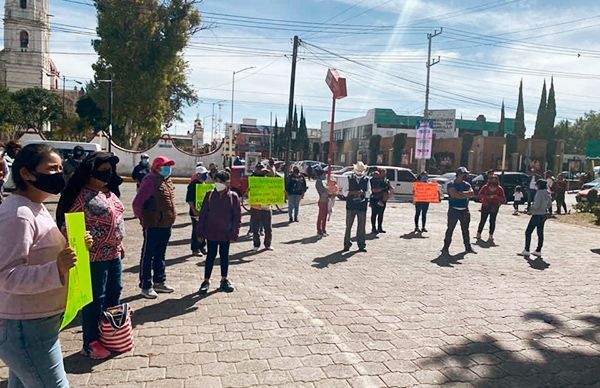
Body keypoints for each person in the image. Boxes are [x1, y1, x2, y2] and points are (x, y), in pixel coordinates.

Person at [0, 144, 87, 388]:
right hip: (25, 327)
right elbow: (7, 275)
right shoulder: (18, 214)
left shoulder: (35, 207)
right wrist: (57, 268)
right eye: (52, 169)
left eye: (61, 167)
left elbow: (39, 252)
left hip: (38, 324)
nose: (60, 173)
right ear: (27, 174)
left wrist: (73, 243)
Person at [56, 152, 124, 360]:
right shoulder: (81, 197)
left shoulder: (109, 194)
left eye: (109, 171)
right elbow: (66, 225)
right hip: (94, 258)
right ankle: (90, 342)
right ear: (89, 173)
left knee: (114, 296)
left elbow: (117, 219)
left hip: (114, 255)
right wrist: (79, 239)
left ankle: (110, 334)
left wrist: (120, 244)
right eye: (102, 171)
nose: (107, 175)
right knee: (95, 300)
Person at [132, 156, 177, 299]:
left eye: (169, 166)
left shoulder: (167, 181)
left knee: (160, 254)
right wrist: (143, 220)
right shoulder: (149, 180)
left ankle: (159, 281)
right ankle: (146, 285)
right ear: (157, 167)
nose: (168, 169)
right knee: (148, 255)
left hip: (166, 224)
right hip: (152, 225)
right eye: (165, 166)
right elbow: (137, 204)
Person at [197, 171, 241, 294]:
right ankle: (206, 281)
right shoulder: (210, 195)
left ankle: (224, 279)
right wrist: (200, 233)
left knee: (224, 257)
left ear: (227, 182)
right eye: (216, 181)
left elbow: (237, 217)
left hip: (226, 234)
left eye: (221, 181)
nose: (218, 183)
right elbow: (203, 215)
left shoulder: (233, 197)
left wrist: (234, 233)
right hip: (211, 233)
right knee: (210, 256)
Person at [442, 167, 475, 254]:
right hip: (454, 210)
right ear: (459, 175)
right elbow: (455, 195)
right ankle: (445, 247)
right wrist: (464, 194)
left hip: (464, 210)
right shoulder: (451, 184)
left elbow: (471, 193)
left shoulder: (467, 184)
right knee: (450, 229)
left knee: (465, 230)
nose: (466, 176)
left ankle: (468, 247)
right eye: (464, 174)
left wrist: (461, 193)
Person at [343, 162, 371, 252]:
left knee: (361, 227)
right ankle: (347, 244)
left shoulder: (367, 180)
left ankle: (361, 245)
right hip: (350, 206)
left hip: (362, 207)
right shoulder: (349, 178)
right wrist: (354, 192)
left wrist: (363, 193)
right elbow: (344, 192)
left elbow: (369, 193)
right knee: (348, 227)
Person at [520, 180, 552, 257]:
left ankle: (527, 249)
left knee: (528, 232)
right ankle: (538, 250)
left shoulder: (539, 193)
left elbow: (536, 205)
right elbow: (549, 204)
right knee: (540, 233)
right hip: (543, 214)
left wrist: (530, 209)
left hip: (537, 214)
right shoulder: (548, 193)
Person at [476, 174, 506, 242]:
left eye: (495, 179)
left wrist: (495, 196)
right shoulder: (485, 187)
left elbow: (503, 199)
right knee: (482, 220)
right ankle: (479, 233)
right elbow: (479, 195)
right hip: (485, 205)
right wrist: (486, 197)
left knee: (492, 221)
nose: (493, 180)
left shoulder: (499, 189)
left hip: (494, 206)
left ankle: (491, 235)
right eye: (492, 179)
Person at [250, 166, 274, 251]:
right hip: (256, 208)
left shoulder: (269, 182)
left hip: (267, 208)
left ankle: (267, 244)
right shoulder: (253, 182)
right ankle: (256, 244)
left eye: (265, 172)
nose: (265, 174)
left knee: (268, 228)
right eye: (263, 172)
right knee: (255, 228)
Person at [186, 165, 208, 256]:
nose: (205, 175)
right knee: (196, 230)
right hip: (195, 212)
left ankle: (202, 246)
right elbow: (189, 200)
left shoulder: (204, 184)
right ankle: (195, 248)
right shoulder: (192, 185)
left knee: (203, 229)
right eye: (203, 174)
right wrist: (194, 210)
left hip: (204, 212)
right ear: (198, 175)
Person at [369, 168, 392, 234]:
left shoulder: (386, 180)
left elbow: (389, 187)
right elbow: (373, 190)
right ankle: (373, 228)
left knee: (381, 214)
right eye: (382, 172)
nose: (384, 174)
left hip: (383, 199)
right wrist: (383, 189)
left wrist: (389, 190)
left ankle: (379, 227)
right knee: (374, 214)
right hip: (375, 199)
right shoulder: (374, 180)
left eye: (385, 172)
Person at [315, 168, 330, 236]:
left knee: (325, 216)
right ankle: (319, 229)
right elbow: (322, 191)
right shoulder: (318, 182)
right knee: (321, 216)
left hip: (325, 200)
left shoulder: (321, 181)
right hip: (322, 200)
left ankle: (323, 229)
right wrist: (328, 190)